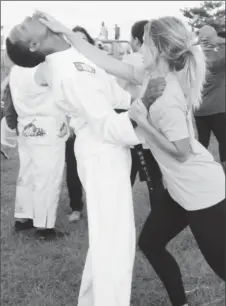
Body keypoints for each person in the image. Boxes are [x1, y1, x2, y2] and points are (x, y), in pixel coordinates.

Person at [42, 14, 225, 306]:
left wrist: (142, 120)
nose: (138, 48)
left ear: (159, 50)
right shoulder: (150, 76)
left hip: (202, 191)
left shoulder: (167, 94)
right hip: (180, 191)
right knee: (151, 243)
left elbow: (183, 151)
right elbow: (102, 59)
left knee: (221, 264)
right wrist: (65, 32)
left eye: (146, 44)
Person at [6, 13, 141, 306]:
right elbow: (107, 126)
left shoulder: (75, 55)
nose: (28, 17)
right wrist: (149, 115)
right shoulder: (66, 72)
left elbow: (116, 97)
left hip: (107, 150)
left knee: (110, 238)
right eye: (23, 26)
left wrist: (136, 99)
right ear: (33, 44)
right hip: (102, 153)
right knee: (115, 244)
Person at [6, 64, 69, 241]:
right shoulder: (45, 68)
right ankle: (44, 226)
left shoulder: (16, 68)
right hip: (47, 126)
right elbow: (64, 94)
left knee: (28, 173)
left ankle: (24, 217)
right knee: (47, 178)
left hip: (26, 123)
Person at [119, 20, 165, 208]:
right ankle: (160, 215)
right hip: (157, 131)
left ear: (137, 40)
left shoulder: (130, 61)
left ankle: (117, 216)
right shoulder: (163, 60)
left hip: (135, 132)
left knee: (124, 179)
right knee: (156, 181)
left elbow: (116, 94)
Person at [65, 26, 95, 222]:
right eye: (76, 39)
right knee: (73, 169)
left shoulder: (96, 63)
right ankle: (76, 207)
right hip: (72, 126)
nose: (79, 42)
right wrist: (67, 123)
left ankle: (96, 206)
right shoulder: (63, 65)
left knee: (94, 169)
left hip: (94, 124)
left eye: (83, 38)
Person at [195, 25, 225, 170]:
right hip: (218, 109)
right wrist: (217, 41)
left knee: (202, 143)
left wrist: (199, 42)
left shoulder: (194, 59)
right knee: (224, 141)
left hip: (199, 109)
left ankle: (201, 172)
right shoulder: (220, 57)